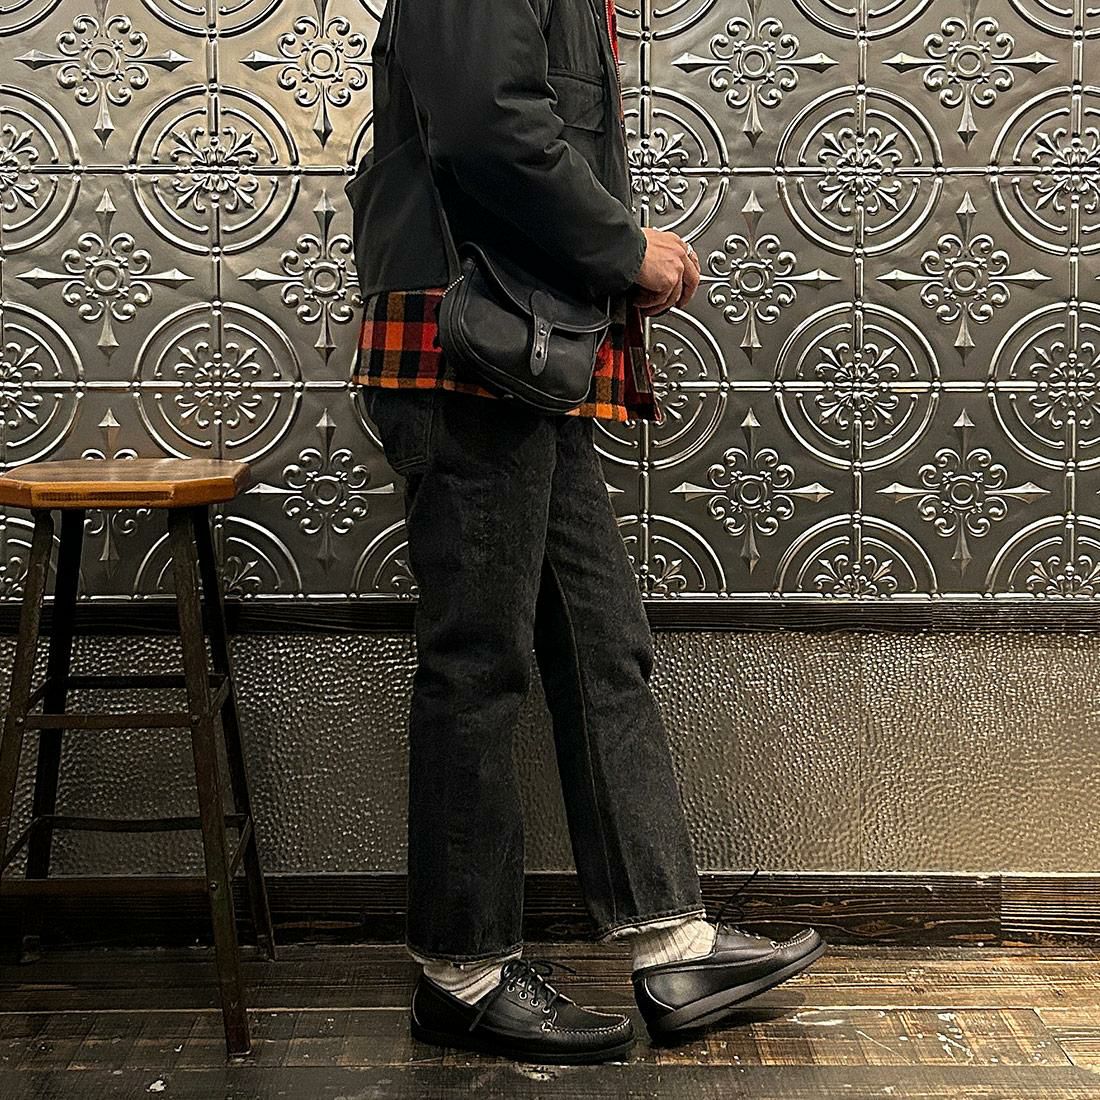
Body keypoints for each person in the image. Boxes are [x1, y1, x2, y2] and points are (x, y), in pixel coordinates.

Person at [348, 0, 825, 1064]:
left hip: (523, 351)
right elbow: (487, 129)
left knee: (602, 647)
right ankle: (462, 975)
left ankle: (670, 944)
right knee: (478, 661)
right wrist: (620, 250)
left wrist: (601, 267)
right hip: (466, 355)